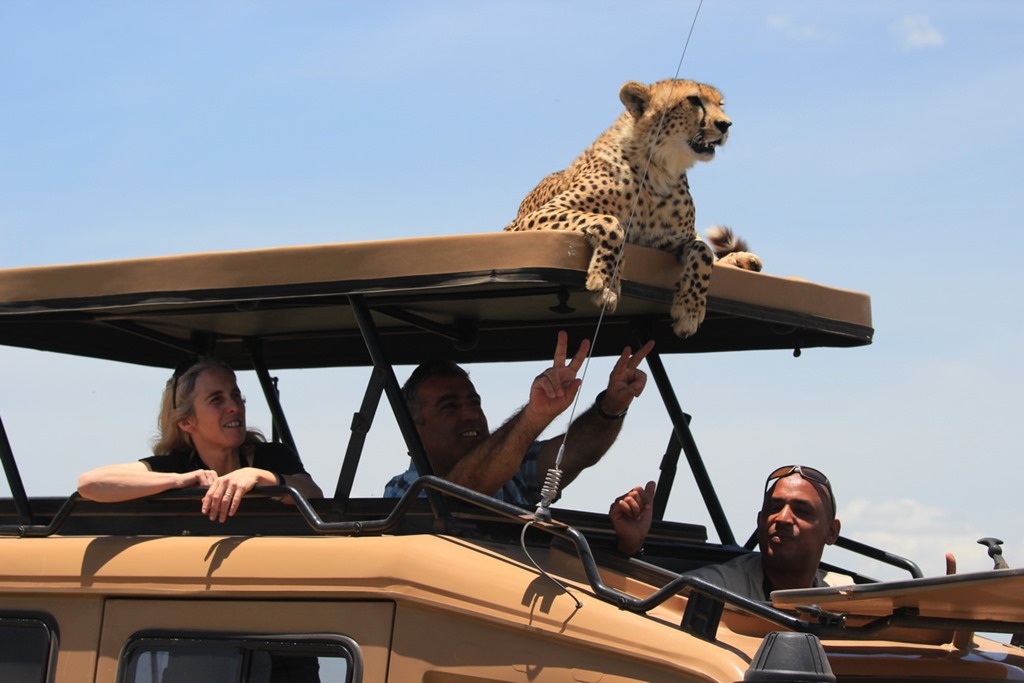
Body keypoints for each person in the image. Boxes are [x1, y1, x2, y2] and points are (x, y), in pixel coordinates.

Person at [384, 330, 655, 506]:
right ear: (414, 427)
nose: (470, 414)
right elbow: (458, 495)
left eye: (474, 402)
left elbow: (578, 452)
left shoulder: (512, 473)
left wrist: (612, 405)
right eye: (449, 407)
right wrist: (534, 415)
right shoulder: (404, 491)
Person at [77, 356, 322, 522]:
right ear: (186, 422)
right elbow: (90, 483)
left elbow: (313, 493)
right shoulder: (178, 467)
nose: (234, 407)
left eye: (236, 395)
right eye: (217, 399)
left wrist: (258, 476)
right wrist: (179, 481)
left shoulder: (271, 457)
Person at [611, 465, 841, 600]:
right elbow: (644, 602)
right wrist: (628, 549)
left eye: (801, 511)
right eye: (774, 508)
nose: (782, 518)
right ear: (760, 521)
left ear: (831, 532)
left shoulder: (847, 597)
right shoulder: (715, 588)